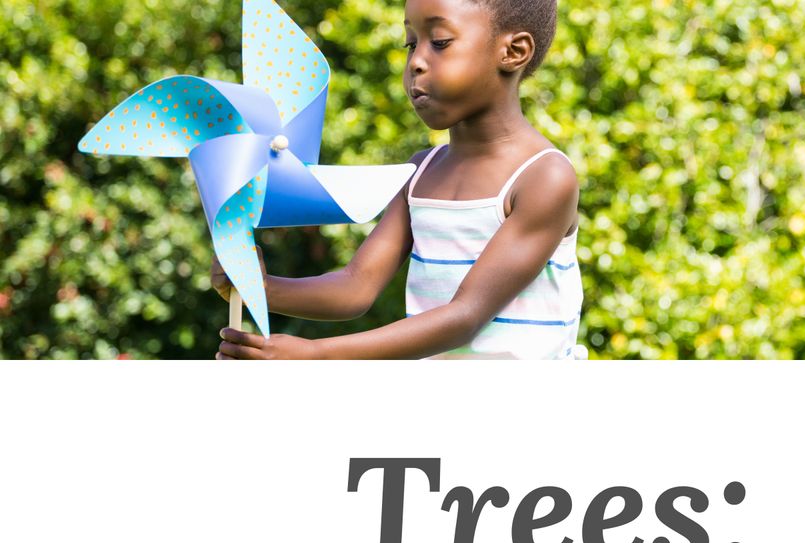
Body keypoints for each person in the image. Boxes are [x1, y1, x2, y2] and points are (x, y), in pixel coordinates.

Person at [214, 0, 585, 360]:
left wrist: (317, 354)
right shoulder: (420, 173)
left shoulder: (544, 177)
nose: (416, 62)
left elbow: (466, 316)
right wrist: (257, 287)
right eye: (411, 44)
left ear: (513, 51)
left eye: (439, 42)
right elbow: (356, 286)